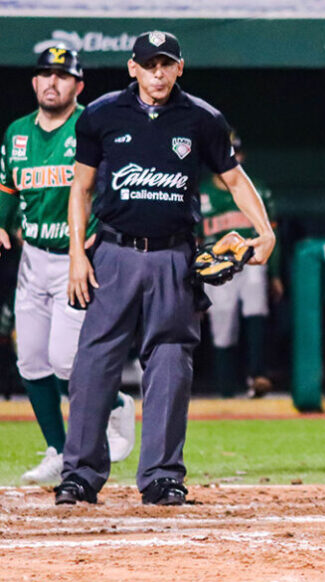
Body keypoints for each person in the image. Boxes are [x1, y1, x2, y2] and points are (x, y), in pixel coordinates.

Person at [56, 31, 275, 506]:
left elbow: (234, 180)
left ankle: (160, 476)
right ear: (131, 68)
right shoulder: (101, 115)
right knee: (94, 366)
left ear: (180, 68)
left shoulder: (202, 118)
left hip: (175, 257)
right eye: (148, 65)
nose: (157, 73)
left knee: (172, 363)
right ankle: (80, 475)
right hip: (113, 254)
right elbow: (81, 189)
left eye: (166, 64)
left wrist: (266, 229)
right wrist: (77, 253)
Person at [0, 46, 136, 485]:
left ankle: (115, 405)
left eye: (63, 75)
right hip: (34, 257)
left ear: (78, 85)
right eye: (45, 74)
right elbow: (7, 186)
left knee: (65, 361)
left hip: (75, 259)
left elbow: (116, 182)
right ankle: (58, 450)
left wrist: (103, 228)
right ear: (35, 82)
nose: (52, 82)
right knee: (32, 363)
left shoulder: (90, 125)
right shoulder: (17, 133)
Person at [199, 131, 282, 398]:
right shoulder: (200, 193)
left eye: (233, 151)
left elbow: (272, 233)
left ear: (241, 155)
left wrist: (276, 274)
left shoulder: (256, 189)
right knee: (222, 323)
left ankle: (257, 374)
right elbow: (192, 239)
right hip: (216, 265)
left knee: (256, 301)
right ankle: (226, 388)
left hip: (250, 261)